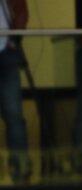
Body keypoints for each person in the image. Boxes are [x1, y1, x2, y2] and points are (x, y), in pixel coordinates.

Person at [0, 0, 28, 163]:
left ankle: (20, 169)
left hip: (5, 53)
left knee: (14, 115)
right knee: (14, 117)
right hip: (6, 53)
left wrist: (13, 43)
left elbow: (21, 11)